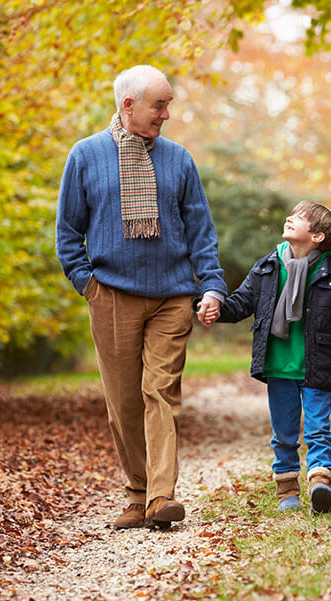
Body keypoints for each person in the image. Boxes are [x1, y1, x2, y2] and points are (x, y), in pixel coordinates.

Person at [56, 65, 226, 530]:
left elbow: (200, 233)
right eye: (159, 105)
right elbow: (68, 232)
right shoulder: (86, 156)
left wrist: (211, 283)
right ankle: (137, 490)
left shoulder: (179, 160)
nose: (167, 114)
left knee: (159, 392)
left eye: (168, 104)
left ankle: (160, 496)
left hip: (172, 296)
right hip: (111, 295)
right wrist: (87, 283)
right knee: (124, 402)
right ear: (128, 105)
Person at [201, 201, 331, 513]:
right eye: (292, 214)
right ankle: (287, 491)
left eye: (300, 218)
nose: (290, 219)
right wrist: (216, 307)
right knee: (283, 434)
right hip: (278, 365)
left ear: (318, 236)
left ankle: (320, 482)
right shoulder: (267, 268)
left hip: (316, 366)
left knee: (317, 428)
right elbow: (240, 304)